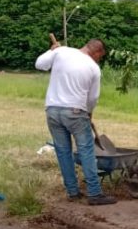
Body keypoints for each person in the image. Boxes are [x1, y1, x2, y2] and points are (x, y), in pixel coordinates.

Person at [35, 36, 117, 205]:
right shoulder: (93, 68)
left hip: (52, 110)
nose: (99, 59)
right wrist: (89, 112)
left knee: (63, 151)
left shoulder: (62, 51)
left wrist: (52, 50)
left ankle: (73, 192)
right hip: (75, 112)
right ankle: (94, 194)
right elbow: (93, 97)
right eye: (100, 56)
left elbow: (39, 64)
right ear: (97, 51)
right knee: (86, 151)